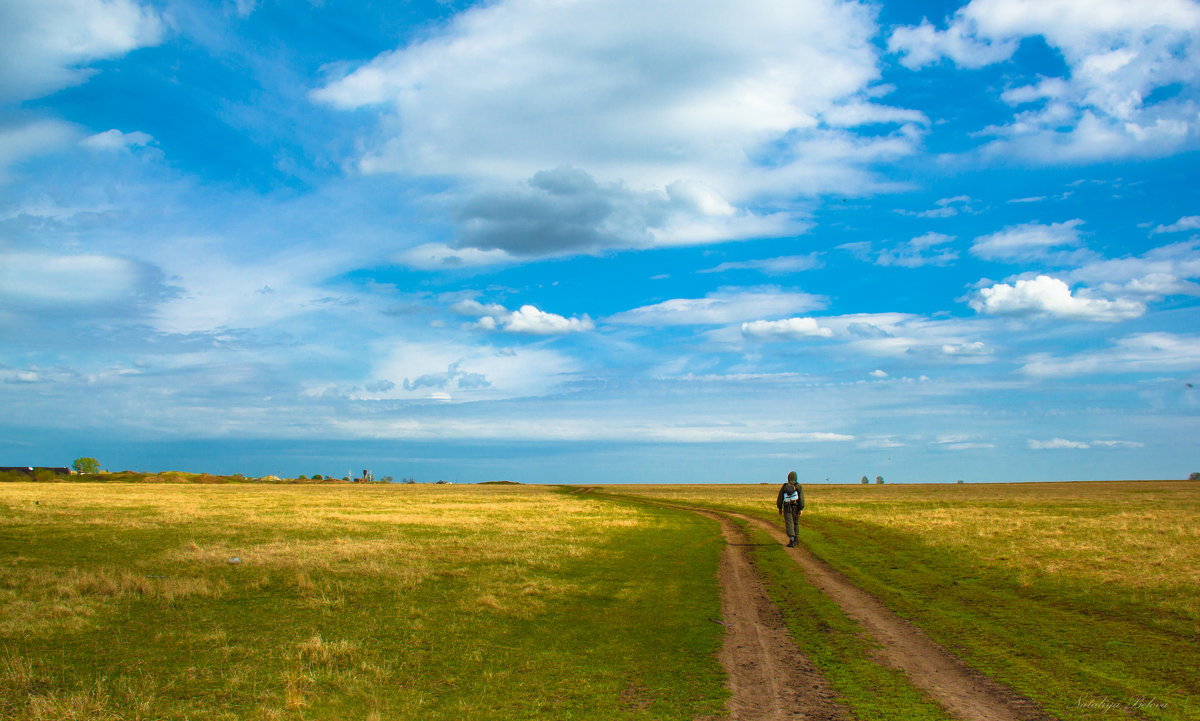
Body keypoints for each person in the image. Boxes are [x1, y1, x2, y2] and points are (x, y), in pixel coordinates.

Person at [776, 471, 805, 547]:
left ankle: (791, 540)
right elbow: (801, 499)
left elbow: (780, 498)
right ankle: (796, 539)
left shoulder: (785, 486)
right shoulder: (798, 486)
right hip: (796, 507)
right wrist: (801, 509)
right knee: (795, 522)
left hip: (787, 507)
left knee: (789, 523)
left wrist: (780, 508)